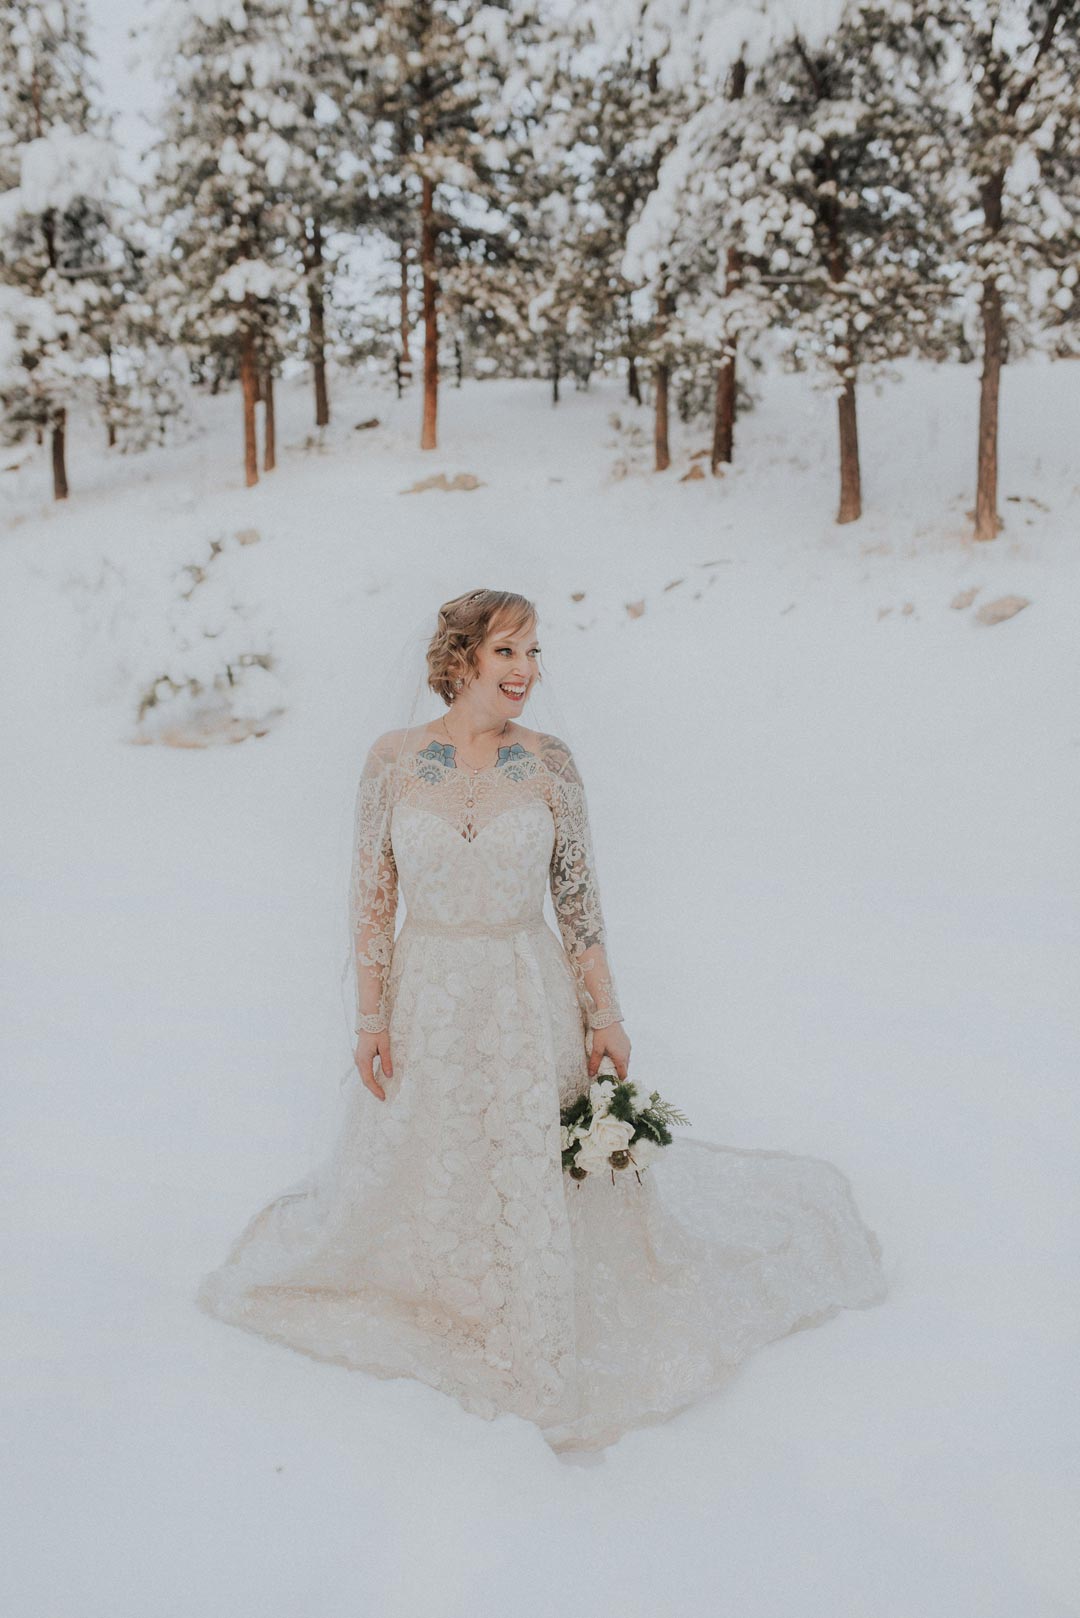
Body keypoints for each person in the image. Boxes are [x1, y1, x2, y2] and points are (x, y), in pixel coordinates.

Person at [196, 588, 887, 1453]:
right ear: (461, 662)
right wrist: (371, 1020)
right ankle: (443, 1290)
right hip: (431, 993)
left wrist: (606, 1013)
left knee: (532, 1158)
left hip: (528, 992)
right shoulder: (394, 763)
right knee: (437, 1154)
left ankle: (534, 1298)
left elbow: (579, 903)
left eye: (533, 654)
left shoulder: (551, 764)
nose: (526, 672)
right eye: (507, 653)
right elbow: (372, 902)